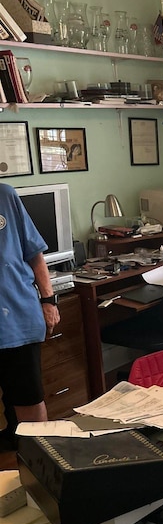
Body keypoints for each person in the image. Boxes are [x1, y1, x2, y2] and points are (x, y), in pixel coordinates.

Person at [0, 182, 60, 427]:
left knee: (29, 403)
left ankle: (37, 462)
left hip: (16, 320)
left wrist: (48, 301)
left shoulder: (5, 195)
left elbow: (34, 254)